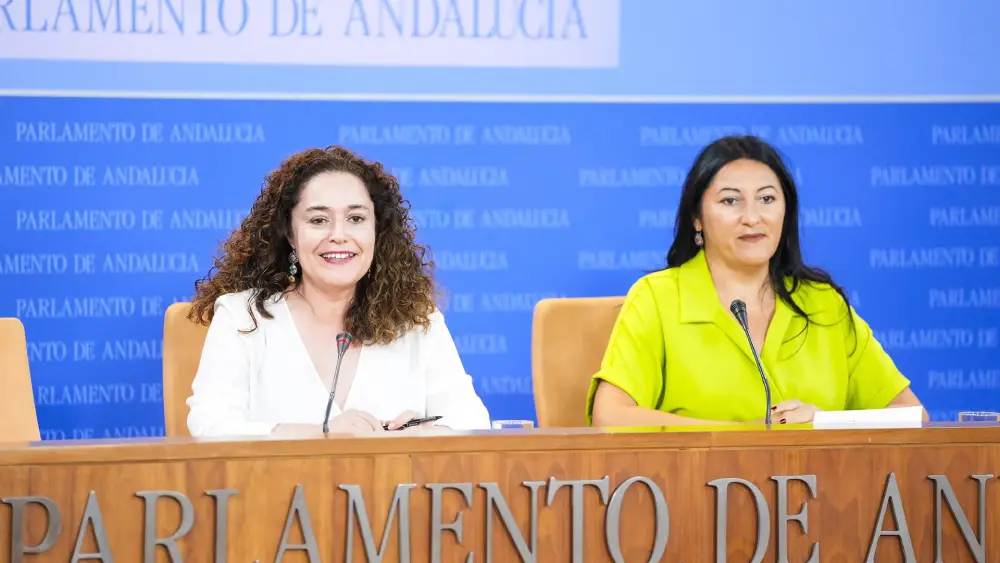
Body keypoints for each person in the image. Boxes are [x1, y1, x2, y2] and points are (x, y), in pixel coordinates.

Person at [587, 135, 926, 427]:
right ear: (697, 219)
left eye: (767, 199)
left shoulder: (823, 304)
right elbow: (612, 416)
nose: (752, 218)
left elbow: (912, 416)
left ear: (785, 212)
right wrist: (744, 438)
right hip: (697, 493)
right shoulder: (657, 299)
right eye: (730, 201)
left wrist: (825, 423)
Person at [185, 146, 492, 436]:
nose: (338, 236)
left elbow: (473, 422)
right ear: (290, 234)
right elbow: (210, 426)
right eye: (318, 220)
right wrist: (321, 434)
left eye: (356, 219)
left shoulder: (416, 321)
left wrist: (427, 433)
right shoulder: (243, 317)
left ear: (376, 231)